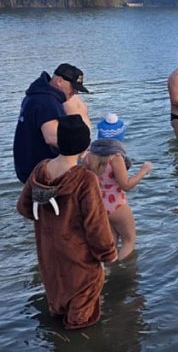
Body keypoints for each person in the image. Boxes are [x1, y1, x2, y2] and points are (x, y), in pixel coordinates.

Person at [17, 114, 117, 329]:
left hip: (49, 255)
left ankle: (56, 351)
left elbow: (24, 208)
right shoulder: (84, 179)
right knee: (82, 319)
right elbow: (96, 225)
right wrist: (107, 253)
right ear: (84, 148)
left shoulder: (40, 170)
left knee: (58, 305)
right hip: (79, 259)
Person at [14, 63, 89, 183]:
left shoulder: (34, 96)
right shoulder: (47, 101)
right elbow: (52, 137)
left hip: (27, 166)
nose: (75, 92)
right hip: (43, 172)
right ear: (59, 81)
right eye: (73, 87)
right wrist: (81, 153)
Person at [83, 138, 153, 260]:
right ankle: (119, 270)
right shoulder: (115, 158)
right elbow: (125, 185)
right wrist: (143, 171)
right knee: (129, 241)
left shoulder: (89, 157)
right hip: (116, 204)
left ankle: (108, 268)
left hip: (99, 204)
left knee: (112, 240)